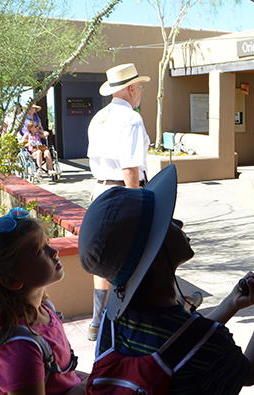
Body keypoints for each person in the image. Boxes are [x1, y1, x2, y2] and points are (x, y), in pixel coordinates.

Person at [78, 165, 254, 393]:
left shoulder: (113, 319)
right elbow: (249, 371)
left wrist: (231, 303)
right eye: (166, 223)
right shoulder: (211, 343)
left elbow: (184, 341)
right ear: (156, 259)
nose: (179, 223)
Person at [0, 208, 87, 395]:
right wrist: (83, 389)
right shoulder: (19, 350)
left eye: (48, 243)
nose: (54, 251)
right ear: (12, 280)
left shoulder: (44, 310)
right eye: (40, 249)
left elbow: (60, 376)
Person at [85, 63, 151, 341]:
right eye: (141, 88)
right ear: (131, 88)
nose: (141, 93)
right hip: (123, 193)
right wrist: (139, 204)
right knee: (134, 255)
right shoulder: (132, 119)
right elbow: (130, 168)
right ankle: (133, 319)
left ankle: (97, 321)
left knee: (104, 258)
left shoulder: (99, 117)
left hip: (100, 192)